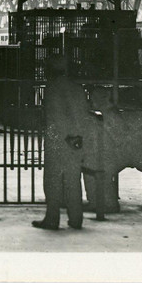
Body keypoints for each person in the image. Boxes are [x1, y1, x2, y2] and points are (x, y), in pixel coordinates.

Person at [33, 56, 91, 230]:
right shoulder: (78, 88)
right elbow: (83, 115)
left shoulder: (53, 89)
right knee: (73, 179)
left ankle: (52, 218)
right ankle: (76, 218)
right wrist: (77, 136)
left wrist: (64, 136)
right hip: (77, 140)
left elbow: (56, 117)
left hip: (58, 139)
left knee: (53, 180)